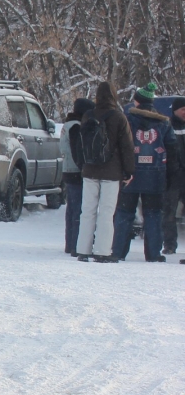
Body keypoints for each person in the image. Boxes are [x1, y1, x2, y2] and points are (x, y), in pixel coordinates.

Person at [111, 83, 173, 262]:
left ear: (137, 102)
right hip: (156, 175)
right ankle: (153, 253)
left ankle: (118, 251)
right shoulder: (163, 122)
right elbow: (172, 148)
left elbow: (120, 146)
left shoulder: (127, 120)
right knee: (153, 214)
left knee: (124, 213)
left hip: (130, 174)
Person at [77, 81, 135, 262]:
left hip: (90, 170)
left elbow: (81, 144)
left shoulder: (87, 115)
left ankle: (83, 250)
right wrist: (129, 171)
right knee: (107, 212)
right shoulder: (118, 117)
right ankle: (102, 251)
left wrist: (83, 166)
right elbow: (126, 146)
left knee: (87, 211)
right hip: (111, 172)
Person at [60, 98, 93, 255]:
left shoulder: (68, 125)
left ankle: (70, 243)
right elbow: (77, 150)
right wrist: (83, 167)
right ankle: (75, 244)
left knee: (72, 209)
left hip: (67, 170)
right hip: (75, 172)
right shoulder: (76, 127)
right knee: (78, 209)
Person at [162, 97, 185, 256]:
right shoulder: (167, 125)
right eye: (183, 109)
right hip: (172, 176)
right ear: (175, 110)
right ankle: (169, 245)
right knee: (168, 212)